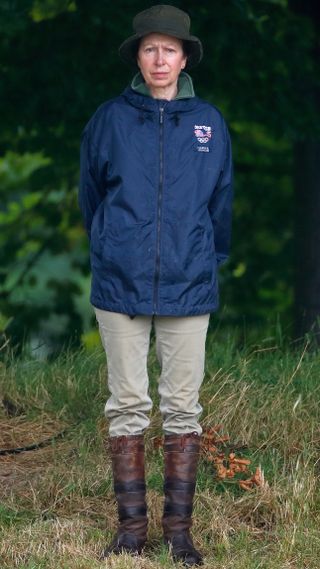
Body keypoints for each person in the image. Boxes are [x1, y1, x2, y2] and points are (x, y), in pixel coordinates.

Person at [79, 4, 233, 566]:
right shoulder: (109, 119)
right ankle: (130, 531)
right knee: (127, 403)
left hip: (189, 284)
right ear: (138, 57)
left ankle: (179, 533)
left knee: (182, 408)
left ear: (185, 56)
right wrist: (111, 248)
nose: (160, 58)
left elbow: (221, 207)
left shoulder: (209, 123)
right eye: (150, 48)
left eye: (170, 48)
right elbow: (91, 197)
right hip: (119, 281)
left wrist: (203, 262)